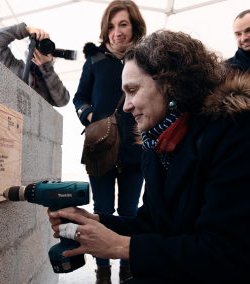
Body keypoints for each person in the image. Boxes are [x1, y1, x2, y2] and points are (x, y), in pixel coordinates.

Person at [49, 30, 250, 283]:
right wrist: (95, 221)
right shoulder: (158, 143)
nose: (126, 106)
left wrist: (120, 246)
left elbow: (226, 256)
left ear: (170, 85)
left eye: (133, 90)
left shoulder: (240, 135)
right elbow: (152, 223)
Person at [72, 1, 146, 283]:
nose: (117, 32)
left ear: (134, 26)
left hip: (136, 147)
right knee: (101, 211)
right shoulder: (95, 59)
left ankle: (127, 271)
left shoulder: (144, 58)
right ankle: (102, 273)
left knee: (129, 212)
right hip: (99, 147)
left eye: (123, 24)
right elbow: (79, 97)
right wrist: (90, 116)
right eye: (112, 26)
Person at [0, 23, 69, 107]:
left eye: (47, 51)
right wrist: (27, 30)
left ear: (52, 59)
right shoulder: (14, 66)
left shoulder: (50, 84)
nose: (43, 53)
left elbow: (63, 101)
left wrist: (47, 67)